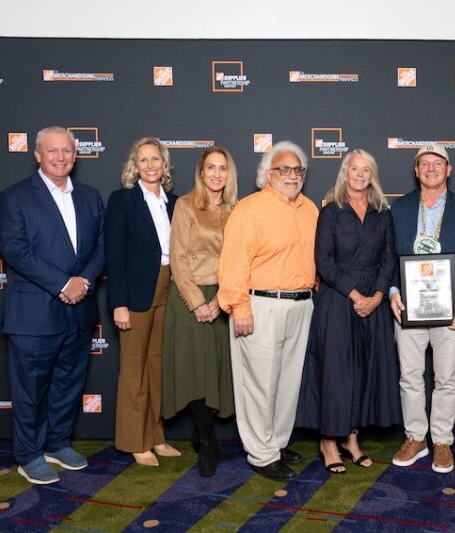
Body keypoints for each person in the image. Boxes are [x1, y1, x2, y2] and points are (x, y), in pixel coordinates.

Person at [0, 126, 105, 484]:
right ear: (38, 155)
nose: (61, 157)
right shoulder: (14, 197)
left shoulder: (90, 197)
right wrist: (62, 284)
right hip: (34, 313)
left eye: (67, 151)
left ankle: (57, 443)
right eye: (53, 151)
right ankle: (29, 454)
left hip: (78, 310)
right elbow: (15, 251)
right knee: (30, 388)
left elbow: (101, 247)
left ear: (76, 155)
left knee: (68, 384)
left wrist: (82, 283)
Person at [296, 149, 401, 474]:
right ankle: (329, 440)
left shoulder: (383, 211)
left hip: (375, 300)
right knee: (336, 373)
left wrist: (378, 295)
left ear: (372, 175)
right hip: (338, 299)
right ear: (345, 173)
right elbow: (324, 261)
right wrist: (357, 295)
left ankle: (352, 438)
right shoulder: (330, 211)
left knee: (365, 371)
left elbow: (389, 258)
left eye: (365, 169)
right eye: (354, 169)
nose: (359, 174)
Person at [218, 141, 318, 482]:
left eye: (297, 170)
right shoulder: (250, 209)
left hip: (301, 304)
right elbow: (233, 262)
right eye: (284, 170)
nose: (292, 176)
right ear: (267, 174)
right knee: (259, 382)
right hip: (260, 305)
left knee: (287, 381)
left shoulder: (311, 209)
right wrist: (239, 307)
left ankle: (276, 442)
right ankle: (261, 454)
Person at [388, 144, 455, 474]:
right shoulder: (398, 209)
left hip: (449, 310)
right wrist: (393, 291)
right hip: (409, 308)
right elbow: (388, 257)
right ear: (416, 170)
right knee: (410, 377)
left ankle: (442, 440)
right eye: (424, 163)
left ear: (449, 169)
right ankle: (416, 437)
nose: (430, 168)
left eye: (437, 163)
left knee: (446, 378)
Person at [163, 147, 238, 477]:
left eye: (222, 168)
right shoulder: (185, 205)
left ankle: (203, 435)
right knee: (195, 371)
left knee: (215, 371)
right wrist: (197, 302)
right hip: (188, 296)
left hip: (222, 298)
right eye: (211, 168)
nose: (217, 174)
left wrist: (220, 300)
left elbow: (238, 260)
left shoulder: (236, 210)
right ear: (201, 172)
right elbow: (177, 258)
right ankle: (206, 442)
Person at [105, 137, 181, 467]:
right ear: (134, 166)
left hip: (170, 287)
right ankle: (135, 441)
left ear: (164, 165)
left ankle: (157, 436)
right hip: (136, 292)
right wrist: (118, 301)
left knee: (158, 367)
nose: (150, 165)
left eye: (156, 159)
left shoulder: (176, 203)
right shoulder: (122, 201)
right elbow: (114, 253)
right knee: (134, 368)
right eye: (144, 160)